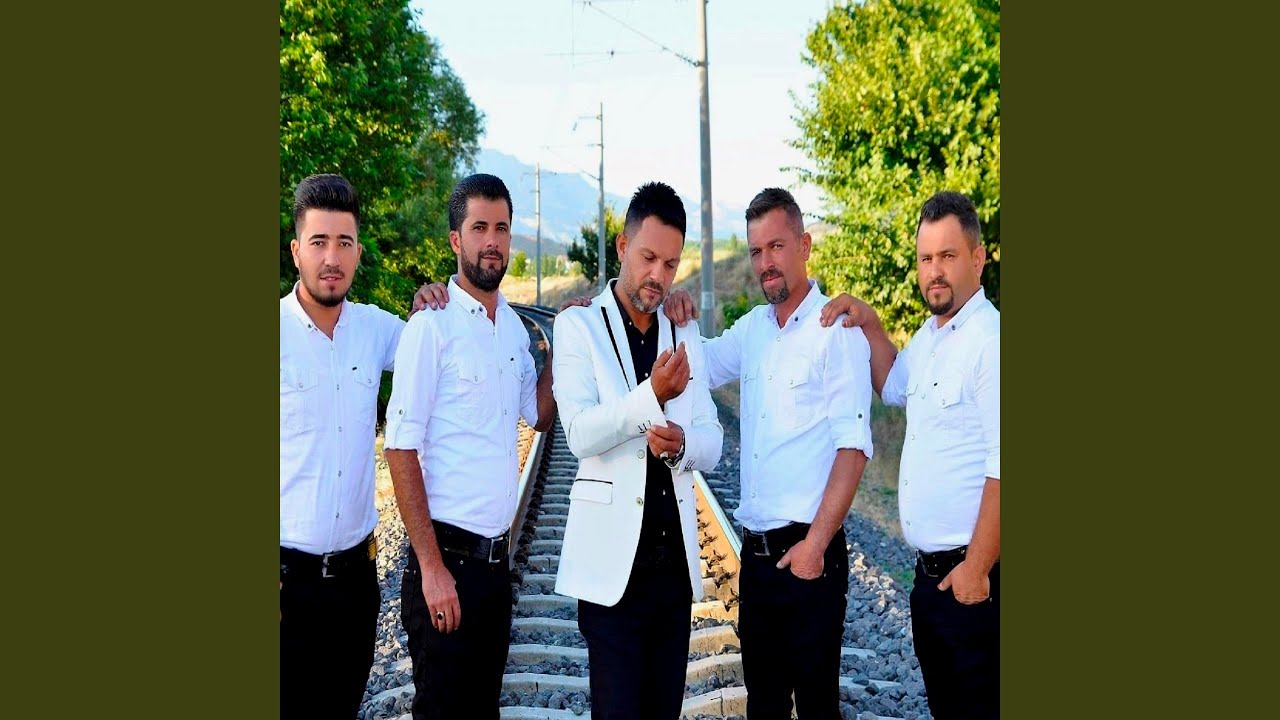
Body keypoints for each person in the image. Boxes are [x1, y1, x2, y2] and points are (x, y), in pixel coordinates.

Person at [663, 187, 874, 719]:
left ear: (804, 246)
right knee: (765, 706)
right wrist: (675, 315)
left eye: (776, 247)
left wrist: (814, 547)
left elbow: (854, 449)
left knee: (818, 707)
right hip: (755, 561)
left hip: (810, 556)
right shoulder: (754, 328)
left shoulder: (836, 330)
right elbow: (698, 365)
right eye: (756, 251)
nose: (765, 263)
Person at [817, 190, 1000, 719]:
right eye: (925, 258)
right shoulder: (933, 335)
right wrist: (871, 324)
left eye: (947, 256)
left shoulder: (990, 341)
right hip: (931, 584)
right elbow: (893, 384)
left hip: (976, 584)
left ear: (977, 259)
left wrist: (976, 570)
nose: (934, 271)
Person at [382, 173, 557, 720]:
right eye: (479, 228)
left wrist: (566, 344)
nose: (492, 241)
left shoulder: (513, 330)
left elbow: (540, 415)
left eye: (501, 229)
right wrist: (432, 570)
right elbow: (400, 449)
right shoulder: (430, 327)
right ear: (456, 239)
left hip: (494, 571)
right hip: (445, 564)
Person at [549, 181, 723, 720]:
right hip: (612, 575)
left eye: (670, 264)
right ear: (623, 247)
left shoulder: (683, 331)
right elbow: (579, 433)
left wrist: (683, 445)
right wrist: (654, 396)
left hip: (673, 576)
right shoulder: (577, 324)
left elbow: (713, 440)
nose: (658, 275)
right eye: (648, 258)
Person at [280, 173, 406, 720]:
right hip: (286, 584)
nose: (331, 258)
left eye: (344, 243)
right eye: (318, 242)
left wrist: (438, 299)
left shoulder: (377, 330)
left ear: (357, 251)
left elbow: (443, 349)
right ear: (296, 251)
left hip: (357, 586)